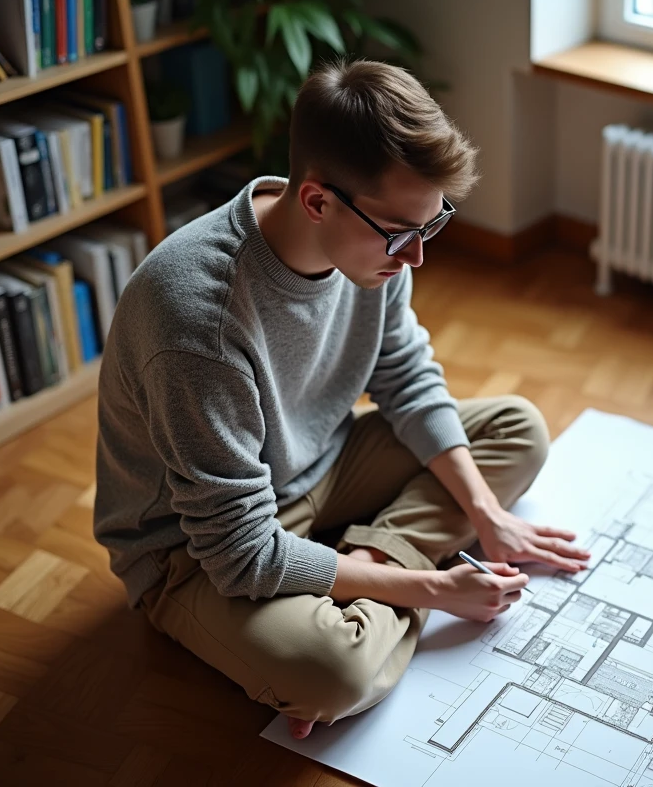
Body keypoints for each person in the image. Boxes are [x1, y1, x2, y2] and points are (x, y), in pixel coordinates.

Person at [92, 59, 591, 740]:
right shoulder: (195, 321)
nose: (416, 257)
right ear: (318, 201)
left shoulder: (375, 248)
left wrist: (487, 515)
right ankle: (379, 578)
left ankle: (370, 568)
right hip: (191, 549)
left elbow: (406, 375)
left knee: (519, 428)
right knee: (334, 673)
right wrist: (437, 591)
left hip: (322, 463)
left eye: (432, 223)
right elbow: (241, 554)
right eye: (400, 233)